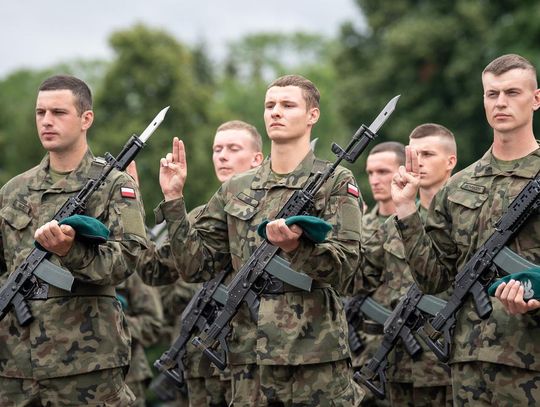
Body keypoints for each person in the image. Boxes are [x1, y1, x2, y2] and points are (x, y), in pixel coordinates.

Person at [147, 74, 364, 406]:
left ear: (312, 115)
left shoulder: (333, 181)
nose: (275, 112)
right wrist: (174, 200)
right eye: (269, 105)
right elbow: (194, 267)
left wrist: (297, 248)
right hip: (249, 366)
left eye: (287, 105)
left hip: (314, 363)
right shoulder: (236, 188)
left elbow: (347, 269)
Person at [391, 54, 540, 405]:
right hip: (467, 365)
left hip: (531, 361)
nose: (501, 102)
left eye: (512, 92)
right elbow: (433, 279)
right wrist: (406, 208)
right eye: (492, 94)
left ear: (536, 99)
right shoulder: (459, 185)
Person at [0, 75, 148, 405]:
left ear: (86, 119)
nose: (47, 121)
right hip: (14, 371)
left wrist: (71, 252)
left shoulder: (114, 186)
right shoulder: (13, 192)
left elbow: (128, 259)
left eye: (58, 112)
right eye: (40, 113)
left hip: (86, 367)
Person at [135, 119, 264, 407]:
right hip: (205, 360)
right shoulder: (198, 216)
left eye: (233, 148)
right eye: (217, 149)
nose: (222, 155)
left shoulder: (274, 210)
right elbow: (153, 269)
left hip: (256, 358)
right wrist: (136, 202)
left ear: (258, 159)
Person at [361, 125, 456, 406]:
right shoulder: (394, 224)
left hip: (447, 363)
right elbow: (357, 281)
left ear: (450, 161)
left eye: (428, 154)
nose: (420, 162)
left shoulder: (463, 218)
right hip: (400, 362)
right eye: (415, 155)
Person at [350, 141, 405, 407]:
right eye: (370, 173)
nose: (375, 179)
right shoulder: (358, 229)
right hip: (364, 352)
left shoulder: (420, 222)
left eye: (383, 171)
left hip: (414, 355)